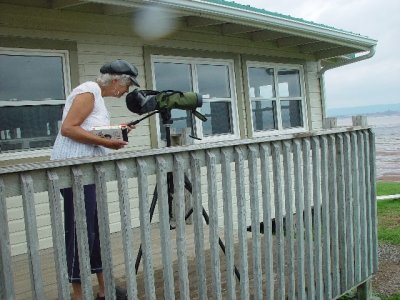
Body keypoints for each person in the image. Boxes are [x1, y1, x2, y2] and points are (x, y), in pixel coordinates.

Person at [51, 59, 140, 300]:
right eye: (128, 85)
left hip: (88, 171)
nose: (127, 91)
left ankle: (104, 288)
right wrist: (108, 142)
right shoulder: (88, 91)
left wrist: (115, 130)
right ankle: (78, 295)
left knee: (95, 229)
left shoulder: (96, 96)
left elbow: (88, 129)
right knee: (81, 231)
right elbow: (68, 129)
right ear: (115, 81)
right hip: (74, 172)